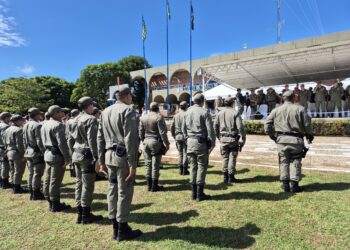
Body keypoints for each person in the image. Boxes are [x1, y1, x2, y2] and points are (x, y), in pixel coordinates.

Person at [97, 86, 142, 242]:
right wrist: (133, 164)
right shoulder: (128, 111)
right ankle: (122, 229)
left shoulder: (105, 112)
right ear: (128, 96)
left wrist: (101, 160)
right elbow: (131, 139)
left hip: (109, 156)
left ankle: (116, 227)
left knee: (112, 190)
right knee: (124, 192)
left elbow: (99, 138)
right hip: (122, 158)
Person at [264, 90, 313, 193]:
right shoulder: (300, 109)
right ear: (293, 98)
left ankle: (285, 185)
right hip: (296, 140)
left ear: (283, 98)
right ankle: (294, 186)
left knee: (283, 161)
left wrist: (272, 136)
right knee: (295, 160)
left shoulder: (276, 110)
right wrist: (309, 135)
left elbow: (267, 124)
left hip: (281, 140)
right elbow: (307, 124)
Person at [68, 97, 103, 224]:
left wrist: (71, 154)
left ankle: (80, 213)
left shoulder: (72, 120)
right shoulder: (91, 119)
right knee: (87, 186)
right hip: (87, 154)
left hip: (76, 153)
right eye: (92, 105)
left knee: (79, 183)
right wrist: (97, 158)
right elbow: (93, 141)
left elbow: (70, 140)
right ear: (89, 106)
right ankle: (86, 214)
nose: (93, 107)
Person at [182, 93, 215, 202]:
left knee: (193, 166)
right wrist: (212, 143)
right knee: (202, 166)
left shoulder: (187, 112)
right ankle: (199, 194)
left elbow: (183, 129)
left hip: (190, 141)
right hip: (200, 142)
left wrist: (187, 138)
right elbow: (210, 130)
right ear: (202, 101)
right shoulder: (204, 112)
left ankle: (193, 193)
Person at [41, 105, 72, 212]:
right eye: (60, 112)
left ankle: (49, 200)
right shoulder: (58, 125)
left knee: (47, 179)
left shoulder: (45, 124)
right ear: (55, 113)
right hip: (57, 155)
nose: (62, 114)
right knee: (55, 181)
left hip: (48, 154)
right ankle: (55, 203)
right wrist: (67, 158)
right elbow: (62, 143)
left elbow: (41, 141)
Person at [139, 102, 170, 192]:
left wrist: (143, 140)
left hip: (146, 141)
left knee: (148, 164)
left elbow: (140, 131)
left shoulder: (143, 117)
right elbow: (162, 132)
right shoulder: (158, 117)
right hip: (155, 142)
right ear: (157, 108)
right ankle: (154, 186)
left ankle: (149, 185)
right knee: (155, 165)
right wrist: (167, 144)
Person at [215, 97, 246, 184]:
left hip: (223, 139)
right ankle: (231, 177)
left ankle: (225, 177)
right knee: (232, 158)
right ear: (233, 103)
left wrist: (219, 137)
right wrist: (243, 138)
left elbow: (215, 127)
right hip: (233, 139)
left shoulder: (219, 113)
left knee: (225, 158)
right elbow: (240, 127)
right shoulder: (235, 113)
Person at [23, 108, 46, 200]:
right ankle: (36, 192)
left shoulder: (26, 125)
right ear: (36, 115)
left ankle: (32, 191)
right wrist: (43, 152)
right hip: (36, 152)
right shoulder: (37, 125)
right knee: (37, 173)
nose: (41, 115)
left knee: (31, 173)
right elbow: (39, 141)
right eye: (39, 114)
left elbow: (24, 140)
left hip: (28, 151)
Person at [4, 115, 26, 194]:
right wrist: (23, 155)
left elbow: (4, 142)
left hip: (9, 151)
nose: (23, 121)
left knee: (13, 170)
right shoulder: (19, 130)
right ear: (17, 121)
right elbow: (20, 144)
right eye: (21, 120)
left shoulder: (7, 129)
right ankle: (17, 187)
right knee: (18, 170)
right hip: (16, 152)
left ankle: (14, 185)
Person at [171, 101, 189, 176]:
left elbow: (172, 127)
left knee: (180, 153)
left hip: (177, 136)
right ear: (186, 106)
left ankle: (180, 169)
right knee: (185, 153)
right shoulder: (187, 114)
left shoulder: (176, 115)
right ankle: (184, 169)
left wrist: (173, 135)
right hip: (185, 136)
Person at [0, 112, 11, 189]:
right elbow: (5, 139)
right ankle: (4, 182)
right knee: (5, 165)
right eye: (9, 117)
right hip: (3, 148)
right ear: (6, 118)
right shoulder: (5, 126)